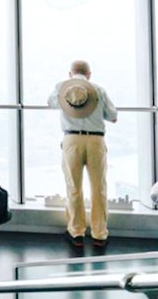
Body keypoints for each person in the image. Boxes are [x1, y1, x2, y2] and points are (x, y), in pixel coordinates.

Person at [48, 59, 118, 249]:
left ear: (70, 74)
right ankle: (99, 234)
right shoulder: (98, 89)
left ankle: (76, 232)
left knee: (74, 187)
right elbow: (113, 116)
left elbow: (51, 103)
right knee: (98, 188)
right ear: (89, 74)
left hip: (71, 139)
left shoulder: (62, 88)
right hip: (96, 140)